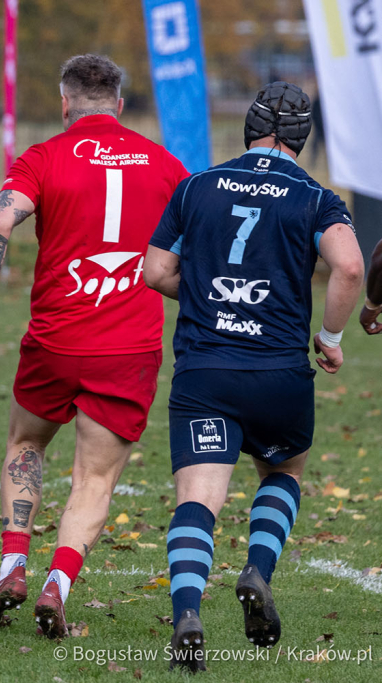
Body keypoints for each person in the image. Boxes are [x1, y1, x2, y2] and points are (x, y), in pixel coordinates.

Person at [0, 54, 189, 637]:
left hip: (56, 340)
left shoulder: (44, 156)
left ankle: (11, 565)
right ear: (120, 106)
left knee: (26, 440)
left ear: (64, 102)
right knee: (95, 478)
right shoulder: (165, 164)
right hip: (128, 347)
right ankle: (59, 583)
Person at [144, 82, 361, 672]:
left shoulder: (196, 186)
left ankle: (187, 614)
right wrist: (330, 339)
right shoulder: (316, 197)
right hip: (278, 373)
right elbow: (349, 266)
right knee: (284, 470)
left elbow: (155, 270)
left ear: (248, 130)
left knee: (198, 498)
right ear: (302, 140)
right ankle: (257, 573)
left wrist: (211, 294)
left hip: (205, 370)